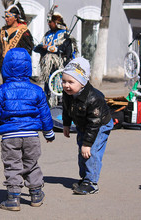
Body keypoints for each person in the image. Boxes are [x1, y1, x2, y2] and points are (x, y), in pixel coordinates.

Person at [0, 48, 55, 211]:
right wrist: (49, 133)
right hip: (31, 136)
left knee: (13, 165)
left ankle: (13, 198)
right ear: (28, 67)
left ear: (5, 67)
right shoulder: (36, 90)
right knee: (32, 164)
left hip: (9, 136)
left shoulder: (0, 91)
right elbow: (45, 114)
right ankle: (36, 194)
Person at [62, 57, 113, 195]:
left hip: (99, 125)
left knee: (91, 151)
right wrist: (66, 124)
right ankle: (85, 177)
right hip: (84, 124)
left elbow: (94, 123)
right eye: (64, 81)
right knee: (82, 151)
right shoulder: (68, 94)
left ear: (83, 82)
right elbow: (66, 109)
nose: (66, 85)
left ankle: (92, 182)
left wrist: (88, 143)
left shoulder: (93, 98)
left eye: (71, 82)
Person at [34, 7, 77, 107]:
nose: (48, 24)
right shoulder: (48, 34)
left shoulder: (65, 35)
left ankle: (61, 105)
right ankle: (49, 105)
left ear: (57, 22)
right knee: (48, 87)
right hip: (48, 68)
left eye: (51, 22)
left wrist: (49, 48)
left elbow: (68, 51)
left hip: (60, 66)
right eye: (48, 22)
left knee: (60, 88)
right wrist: (40, 48)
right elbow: (42, 44)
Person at [0, 0, 34, 77]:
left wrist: (19, 59)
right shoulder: (3, 30)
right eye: (5, 17)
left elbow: (29, 49)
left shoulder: (23, 31)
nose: (6, 19)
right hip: (5, 65)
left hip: (18, 67)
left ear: (15, 17)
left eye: (8, 17)